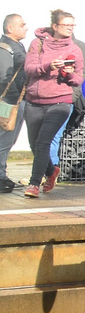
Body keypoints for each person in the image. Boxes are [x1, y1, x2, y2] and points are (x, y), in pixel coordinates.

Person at [21, 10, 83, 198]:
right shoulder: (37, 44)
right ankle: (51, 171)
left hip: (60, 102)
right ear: (55, 26)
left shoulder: (75, 50)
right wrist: (48, 66)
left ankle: (34, 184)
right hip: (34, 102)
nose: (70, 28)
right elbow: (29, 69)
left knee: (43, 142)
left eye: (72, 25)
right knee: (35, 144)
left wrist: (69, 74)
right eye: (66, 25)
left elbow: (78, 80)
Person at [0, 14, 27, 192]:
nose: (26, 27)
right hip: (9, 103)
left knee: (8, 141)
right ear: (11, 28)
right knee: (4, 140)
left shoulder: (18, 46)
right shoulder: (6, 47)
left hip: (16, 102)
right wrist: (14, 100)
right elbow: (4, 77)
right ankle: (0, 177)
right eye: (22, 25)